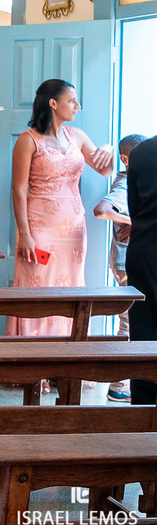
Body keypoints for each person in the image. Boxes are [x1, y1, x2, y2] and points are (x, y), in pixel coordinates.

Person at [7, 79, 113, 350]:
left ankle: (66, 352)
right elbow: (18, 190)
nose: (78, 105)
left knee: (70, 287)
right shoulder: (28, 140)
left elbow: (105, 170)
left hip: (74, 230)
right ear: (53, 103)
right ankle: (31, 354)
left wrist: (109, 148)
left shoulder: (77, 136)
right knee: (37, 286)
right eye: (72, 100)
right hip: (39, 229)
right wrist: (25, 234)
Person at [94, 133, 146, 402]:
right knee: (129, 323)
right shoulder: (125, 183)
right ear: (125, 159)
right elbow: (101, 209)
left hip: (130, 260)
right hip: (126, 263)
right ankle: (119, 385)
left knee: (132, 321)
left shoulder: (138, 180)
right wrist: (131, 222)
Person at [126, 136, 157, 406]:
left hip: (144, 248)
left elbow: (134, 208)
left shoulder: (141, 152)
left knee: (144, 332)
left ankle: (143, 409)